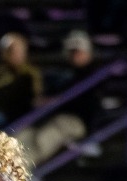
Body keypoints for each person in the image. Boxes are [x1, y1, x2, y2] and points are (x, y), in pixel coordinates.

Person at [19, 29, 99, 165]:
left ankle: (22, 170)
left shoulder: (95, 75)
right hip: (53, 117)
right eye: (72, 51)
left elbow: (87, 104)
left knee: (45, 137)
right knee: (22, 134)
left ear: (88, 53)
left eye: (79, 51)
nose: (75, 55)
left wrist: (57, 101)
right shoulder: (63, 74)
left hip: (76, 121)